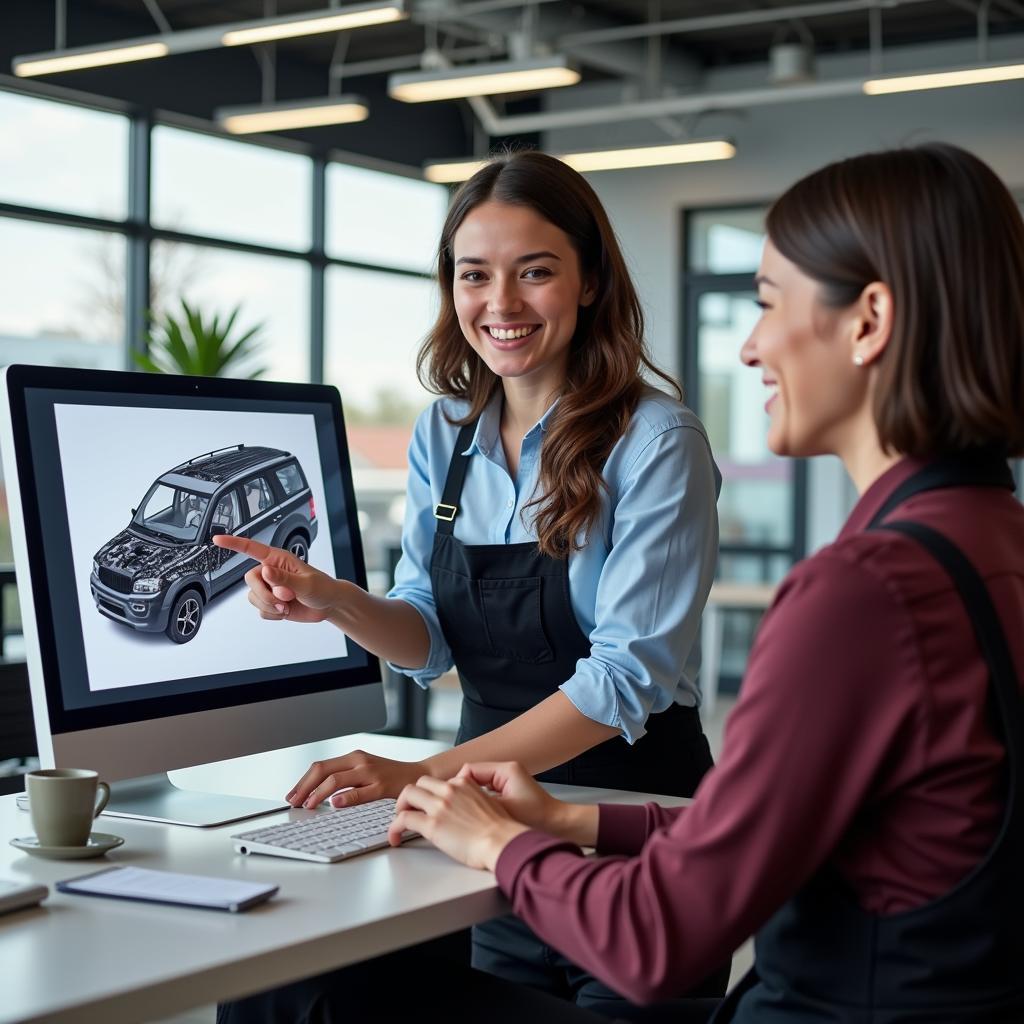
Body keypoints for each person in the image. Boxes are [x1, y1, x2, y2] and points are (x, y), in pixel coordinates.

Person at [363, 142, 1024, 1022]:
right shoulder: (989, 542)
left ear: (869, 321)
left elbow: (662, 927)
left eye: (767, 304)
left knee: (310, 997)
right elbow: (759, 832)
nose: (749, 346)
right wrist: (566, 824)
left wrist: (497, 843)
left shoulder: (864, 592)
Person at [215, 150, 725, 1009]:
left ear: (591, 280)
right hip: (482, 832)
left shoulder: (656, 442)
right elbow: (428, 633)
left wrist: (430, 778)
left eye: (535, 273)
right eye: (474, 275)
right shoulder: (444, 432)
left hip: (626, 826)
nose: (501, 304)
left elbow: (623, 681)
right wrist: (332, 597)